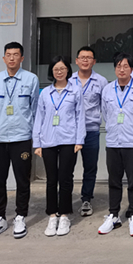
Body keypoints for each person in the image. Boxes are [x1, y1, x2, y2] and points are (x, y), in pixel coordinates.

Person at [0, 42, 40, 240]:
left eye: (16, 54)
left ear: (22, 58)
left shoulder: (31, 79)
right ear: (3, 58)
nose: (12, 58)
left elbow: (35, 108)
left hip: (21, 137)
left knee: (22, 180)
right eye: (8, 54)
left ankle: (20, 216)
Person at [98, 53, 133, 237]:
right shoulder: (107, 89)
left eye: (125, 66)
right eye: (118, 66)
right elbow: (105, 113)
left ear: (131, 69)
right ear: (115, 69)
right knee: (114, 181)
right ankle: (113, 215)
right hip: (114, 142)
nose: (122, 70)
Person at [33, 56, 85, 237]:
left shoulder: (75, 91)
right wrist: (37, 143)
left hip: (68, 140)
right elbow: (39, 118)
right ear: (52, 72)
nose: (59, 72)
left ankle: (64, 215)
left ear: (68, 70)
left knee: (65, 178)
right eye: (56, 69)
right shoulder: (45, 93)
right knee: (51, 179)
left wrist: (79, 140)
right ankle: (52, 215)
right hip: (48, 140)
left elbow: (80, 116)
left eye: (62, 68)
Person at [70, 45, 108, 217]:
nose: (85, 60)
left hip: (91, 130)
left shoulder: (101, 81)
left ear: (94, 61)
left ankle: (86, 198)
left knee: (90, 167)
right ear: (77, 61)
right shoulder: (69, 80)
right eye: (82, 57)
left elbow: (105, 106)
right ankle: (65, 198)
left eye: (89, 58)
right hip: (70, 132)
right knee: (67, 167)